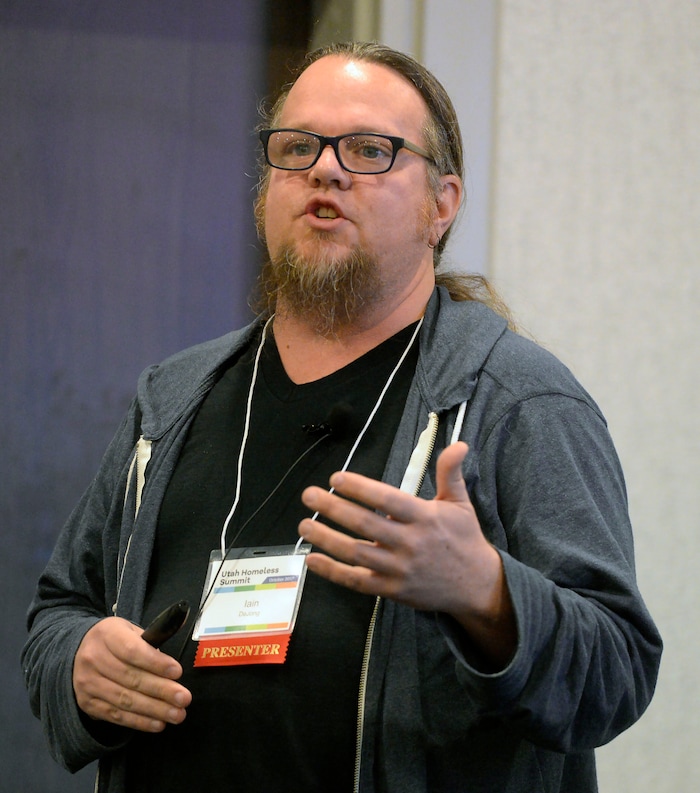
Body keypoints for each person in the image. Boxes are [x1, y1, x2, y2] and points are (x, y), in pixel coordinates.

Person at [22, 41, 662, 793]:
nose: (325, 169)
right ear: (266, 191)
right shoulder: (171, 395)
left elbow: (615, 671)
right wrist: (79, 663)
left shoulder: (518, 400)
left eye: (369, 150)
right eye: (297, 148)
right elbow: (60, 613)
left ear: (442, 204)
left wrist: (487, 593)